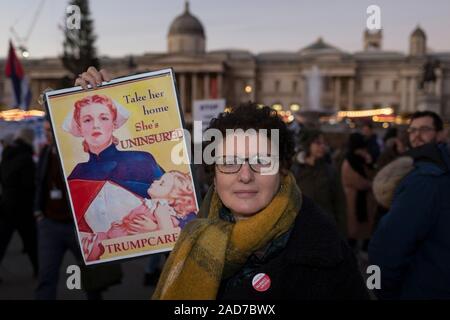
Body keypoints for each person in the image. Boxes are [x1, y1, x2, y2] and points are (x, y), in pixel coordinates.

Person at [152, 103, 368, 299]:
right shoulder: (190, 239)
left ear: (282, 169)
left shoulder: (325, 251)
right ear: (214, 175)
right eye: (229, 162)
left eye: (262, 161)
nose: (245, 176)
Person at [35, 121, 122, 299]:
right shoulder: (45, 152)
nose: (47, 135)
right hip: (50, 224)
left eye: (50, 131)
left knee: (92, 278)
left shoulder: (74, 156)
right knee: (46, 276)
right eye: (45, 131)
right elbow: (39, 181)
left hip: (78, 227)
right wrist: (37, 211)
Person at [369, 111, 450, 299]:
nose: (416, 135)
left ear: (440, 134)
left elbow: (384, 246)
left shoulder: (425, 180)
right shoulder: (432, 171)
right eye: (412, 130)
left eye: (424, 130)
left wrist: (375, 288)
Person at [65, 94, 165, 198]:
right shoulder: (78, 173)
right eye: (87, 120)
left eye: (103, 118)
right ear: (80, 128)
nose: (95, 125)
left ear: (114, 124)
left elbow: (177, 200)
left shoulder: (142, 160)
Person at [291, 129, 346, 236]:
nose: (322, 147)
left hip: (325, 227)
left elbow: (339, 203)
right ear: (308, 144)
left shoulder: (329, 170)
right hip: (300, 228)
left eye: (324, 143)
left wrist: (341, 234)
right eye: (318, 143)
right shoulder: (295, 170)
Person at [0, 128, 38, 279]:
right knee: (32, 242)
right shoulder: (26, 158)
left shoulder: (6, 155)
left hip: (6, 205)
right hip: (23, 207)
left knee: (2, 243)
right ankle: (39, 270)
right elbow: (29, 185)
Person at [341, 133, 376, 251]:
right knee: (353, 228)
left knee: (366, 227)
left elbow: (372, 174)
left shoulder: (362, 159)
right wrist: (371, 184)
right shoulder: (349, 161)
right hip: (354, 199)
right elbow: (357, 181)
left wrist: (369, 161)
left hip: (365, 200)